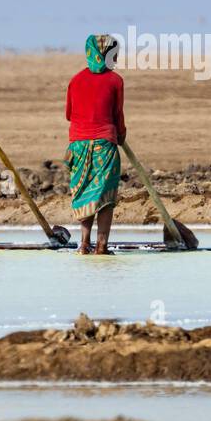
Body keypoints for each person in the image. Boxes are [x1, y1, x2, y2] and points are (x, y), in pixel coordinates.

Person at [65, 34, 126, 255]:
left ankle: (84, 244)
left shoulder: (75, 80)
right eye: (114, 55)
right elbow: (117, 115)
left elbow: (69, 114)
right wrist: (122, 135)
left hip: (78, 147)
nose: (116, 59)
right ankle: (102, 246)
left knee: (86, 195)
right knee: (106, 198)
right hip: (104, 146)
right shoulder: (115, 81)